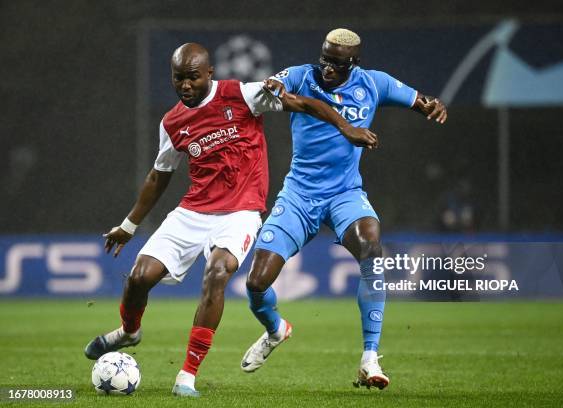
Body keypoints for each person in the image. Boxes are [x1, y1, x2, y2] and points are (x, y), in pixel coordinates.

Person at [83, 42, 378, 397]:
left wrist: (346, 128)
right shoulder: (173, 122)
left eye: (193, 77)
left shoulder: (241, 94)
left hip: (240, 212)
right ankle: (129, 332)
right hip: (192, 211)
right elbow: (158, 176)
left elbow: (303, 103)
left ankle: (187, 376)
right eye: (178, 78)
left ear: (209, 73)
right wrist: (128, 226)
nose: (186, 85)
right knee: (138, 278)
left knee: (218, 273)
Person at [241, 28, 448, 390]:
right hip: (298, 197)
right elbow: (275, 82)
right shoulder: (301, 75)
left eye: (338, 64)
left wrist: (432, 104)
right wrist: (271, 85)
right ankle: (275, 329)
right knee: (256, 283)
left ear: (354, 64)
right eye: (325, 59)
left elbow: (419, 100)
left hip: (344, 194)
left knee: (371, 245)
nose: (328, 69)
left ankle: (370, 357)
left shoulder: (374, 84)